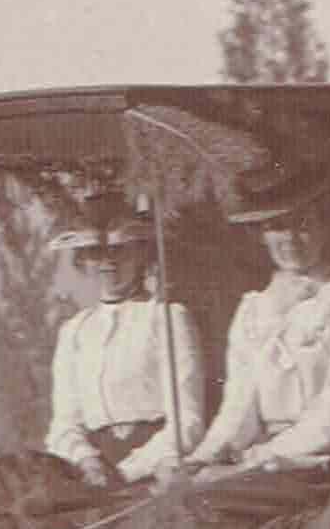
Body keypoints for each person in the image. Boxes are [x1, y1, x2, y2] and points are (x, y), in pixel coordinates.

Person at [179, 202, 330, 485]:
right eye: (276, 227)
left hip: (319, 461)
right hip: (260, 460)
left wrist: (254, 460)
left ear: (324, 228)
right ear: (261, 235)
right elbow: (239, 404)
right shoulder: (254, 309)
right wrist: (203, 457)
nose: (289, 238)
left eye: (303, 225)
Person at [39, 210, 205, 491]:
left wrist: (128, 471)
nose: (108, 262)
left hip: (156, 466)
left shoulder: (165, 317)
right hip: (94, 474)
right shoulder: (74, 331)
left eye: (120, 250)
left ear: (141, 254)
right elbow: (64, 424)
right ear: (82, 260)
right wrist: (86, 461)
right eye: (95, 253)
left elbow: (187, 420)